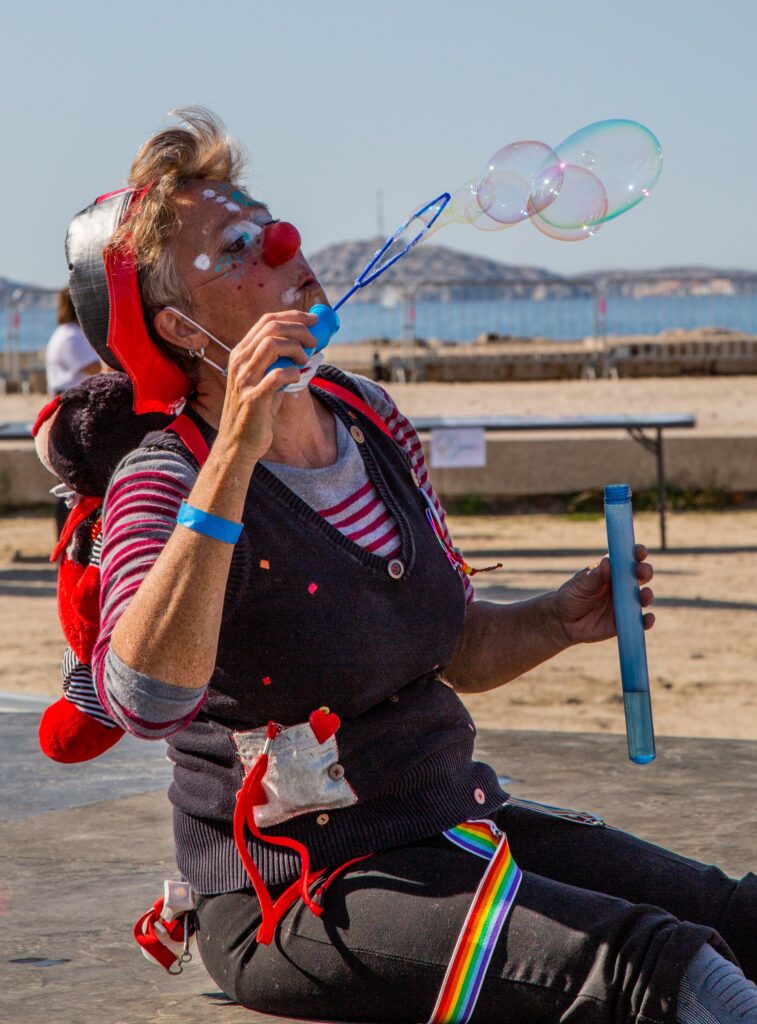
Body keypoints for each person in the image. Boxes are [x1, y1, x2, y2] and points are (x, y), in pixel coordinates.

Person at [63, 108, 757, 1024]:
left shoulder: (370, 418)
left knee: (730, 916)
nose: (283, 241)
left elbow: (447, 648)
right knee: (661, 970)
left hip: (446, 821)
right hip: (296, 895)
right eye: (237, 245)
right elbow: (143, 696)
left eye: (264, 217)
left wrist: (555, 618)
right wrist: (234, 451)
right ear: (183, 329)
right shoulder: (164, 474)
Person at [45, 287, 101, 536]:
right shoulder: (72, 337)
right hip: (73, 418)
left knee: (69, 485)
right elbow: (97, 369)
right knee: (73, 486)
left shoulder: (65, 334)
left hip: (66, 415)